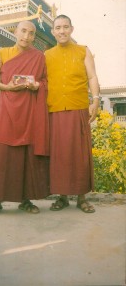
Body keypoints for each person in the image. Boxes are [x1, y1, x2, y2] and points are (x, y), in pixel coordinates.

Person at [0, 21, 50, 216]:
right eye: (23, 31)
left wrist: (37, 85)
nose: (27, 36)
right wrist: (7, 88)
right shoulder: (3, 52)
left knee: (27, 155)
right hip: (9, 108)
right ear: (15, 31)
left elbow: (46, 80)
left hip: (30, 110)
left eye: (31, 33)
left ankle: (26, 200)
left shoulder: (39, 57)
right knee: (4, 154)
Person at [45, 15, 100, 213]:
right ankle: (62, 197)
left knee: (79, 155)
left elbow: (92, 76)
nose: (62, 31)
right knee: (59, 155)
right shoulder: (47, 55)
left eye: (65, 27)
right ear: (53, 31)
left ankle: (82, 197)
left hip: (78, 108)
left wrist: (95, 99)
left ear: (72, 29)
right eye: (58, 27)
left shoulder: (83, 51)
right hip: (56, 109)